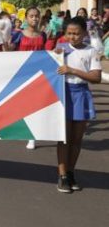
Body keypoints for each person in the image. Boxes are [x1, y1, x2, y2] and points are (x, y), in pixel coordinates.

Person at [55, 17, 102, 193]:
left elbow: (96, 78)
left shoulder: (91, 51)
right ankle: (62, 176)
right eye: (69, 33)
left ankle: (71, 172)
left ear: (84, 33)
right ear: (64, 34)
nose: (72, 37)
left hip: (81, 94)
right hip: (63, 93)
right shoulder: (60, 49)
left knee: (76, 139)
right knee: (64, 138)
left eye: (76, 33)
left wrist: (73, 70)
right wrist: (56, 55)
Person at [11, 7, 45, 150]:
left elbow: (47, 53)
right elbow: (10, 51)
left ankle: (32, 136)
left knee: (34, 107)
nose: (34, 19)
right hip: (21, 73)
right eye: (31, 16)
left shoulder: (43, 35)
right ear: (26, 18)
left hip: (37, 74)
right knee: (21, 105)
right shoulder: (18, 34)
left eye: (37, 16)